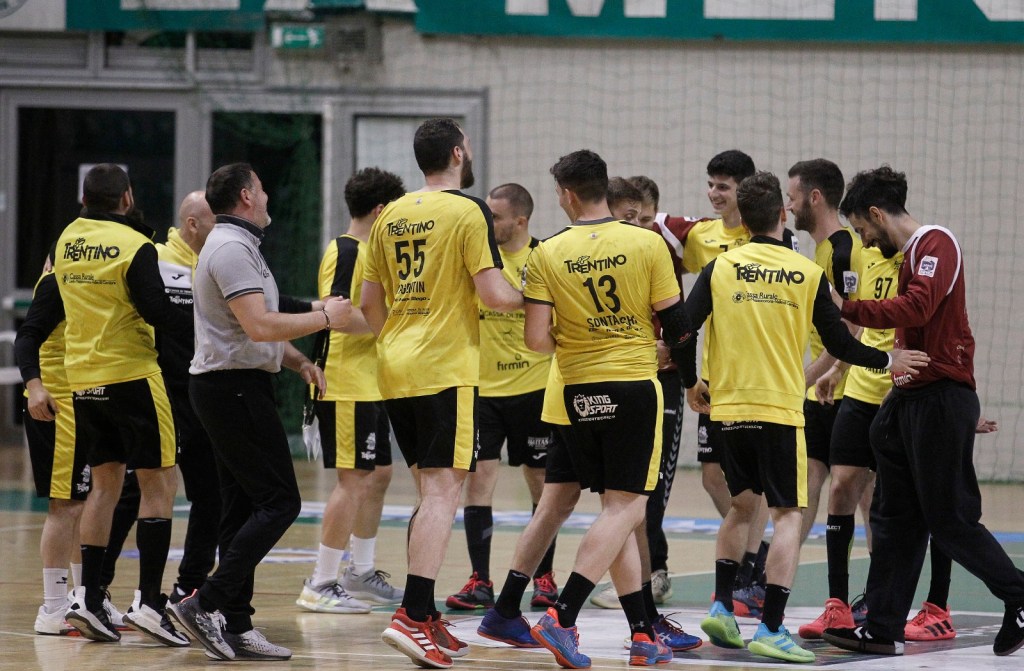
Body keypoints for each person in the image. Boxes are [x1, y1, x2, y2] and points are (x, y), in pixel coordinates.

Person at [680, 171, 927, 664]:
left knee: (740, 507)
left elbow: (683, 330)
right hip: (778, 410)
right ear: (780, 214)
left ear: (743, 220)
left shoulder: (719, 268)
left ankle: (722, 607)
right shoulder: (805, 272)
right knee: (788, 515)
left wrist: (691, 383)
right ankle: (772, 627)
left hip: (728, 409)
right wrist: (888, 359)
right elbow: (840, 343)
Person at [821, 166, 1024, 658]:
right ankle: (883, 627)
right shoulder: (910, 255)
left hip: (939, 398)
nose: (864, 242)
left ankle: (1018, 595)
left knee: (949, 518)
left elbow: (916, 308)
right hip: (909, 400)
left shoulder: (937, 243)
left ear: (875, 214)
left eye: (862, 229)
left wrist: (845, 307)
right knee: (894, 516)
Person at [363, 118, 524, 670]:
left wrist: (397, 342)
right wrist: (539, 297)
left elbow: (370, 304)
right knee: (442, 491)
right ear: (457, 154)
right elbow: (494, 294)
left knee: (428, 490)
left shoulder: (389, 215)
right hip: (443, 368)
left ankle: (426, 613)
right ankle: (412, 615)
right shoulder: (467, 210)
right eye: (468, 146)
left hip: (395, 366)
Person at [169, 163, 347, 661]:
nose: (267, 197)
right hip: (232, 390)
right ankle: (204, 602)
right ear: (247, 196)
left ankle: (236, 624)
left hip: (234, 385)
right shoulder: (230, 248)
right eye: (262, 189)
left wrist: (299, 362)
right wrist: (326, 316)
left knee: (242, 507)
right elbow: (259, 326)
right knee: (280, 502)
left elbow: (253, 324)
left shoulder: (240, 245)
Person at [524, 149, 689, 668]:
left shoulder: (547, 251)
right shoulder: (647, 243)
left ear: (568, 194)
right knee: (627, 510)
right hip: (633, 386)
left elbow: (535, 340)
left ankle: (642, 635)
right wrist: (689, 376)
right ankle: (562, 616)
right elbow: (678, 326)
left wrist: (581, 341)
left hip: (576, 390)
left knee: (615, 512)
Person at [628, 154, 786, 617]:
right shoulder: (698, 234)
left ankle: (750, 569)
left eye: (724, 186)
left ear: (747, 191)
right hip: (715, 375)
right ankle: (753, 556)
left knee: (753, 482)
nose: (714, 194)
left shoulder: (773, 239)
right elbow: (638, 216)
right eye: (711, 185)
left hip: (757, 375)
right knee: (715, 476)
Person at [51, 164, 193, 647]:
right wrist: (207, 325)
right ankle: (150, 603)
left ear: (84, 199)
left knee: (105, 486)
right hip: (132, 375)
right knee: (160, 484)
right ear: (126, 198)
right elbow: (157, 310)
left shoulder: (67, 240)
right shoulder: (135, 245)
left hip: (82, 379)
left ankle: (88, 598)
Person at [297, 167, 407, 614]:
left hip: (371, 382)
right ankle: (321, 581)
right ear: (380, 211)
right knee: (354, 480)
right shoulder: (346, 251)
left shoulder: (371, 253)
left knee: (379, 474)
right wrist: (396, 323)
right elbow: (337, 316)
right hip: (345, 383)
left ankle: (359, 572)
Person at [446, 183, 560, 612]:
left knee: (542, 484)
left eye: (494, 216)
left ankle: (544, 577)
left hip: (534, 387)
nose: (487, 222)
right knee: (478, 482)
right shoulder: (478, 258)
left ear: (520, 220)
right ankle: (480, 581)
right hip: (482, 389)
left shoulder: (543, 257)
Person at [797, 242, 899, 639]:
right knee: (841, 488)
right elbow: (858, 322)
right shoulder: (864, 258)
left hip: (897, 391)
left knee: (884, 502)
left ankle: (880, 600)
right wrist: (838, 368)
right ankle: (837, 605)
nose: (863, 237)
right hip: (858, 390)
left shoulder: (916, 258)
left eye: (864, 228)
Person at [785, 158, 864, 544]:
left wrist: (810, 376)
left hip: (852, 392)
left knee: (864, 494)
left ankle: (881, 583)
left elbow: (854, 326)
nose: (788, 207)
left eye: (792, 197)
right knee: (805, 485)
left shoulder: (845, 250)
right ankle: (780, 574)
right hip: (821, 392)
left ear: (814, 198)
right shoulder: (820, 251)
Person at [155, 191, 221, 605]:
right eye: (216, 219)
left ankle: (188, 586)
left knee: (210, 494)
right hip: (157, 396)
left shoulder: (216, 263)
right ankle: (95, 588)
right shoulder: (155, 261)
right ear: (193, 223)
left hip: (201, 398)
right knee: (137, 495)